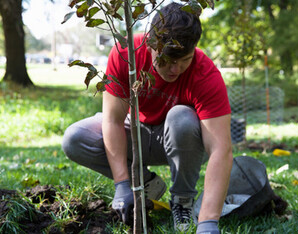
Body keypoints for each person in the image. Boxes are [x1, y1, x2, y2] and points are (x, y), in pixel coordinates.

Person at [62, 2, 233, 233]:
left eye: (184, 60)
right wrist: (122, 183)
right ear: (151, 43)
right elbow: (112, 120)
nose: (176, 69)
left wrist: (209, 221)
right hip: (135, 133)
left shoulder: (205, 74)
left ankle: (182, 200)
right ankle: (146, 183)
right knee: (75, 137)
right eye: (168, 60)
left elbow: (221, 149)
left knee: (181, 117)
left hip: (179, 141)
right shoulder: (126, 54)